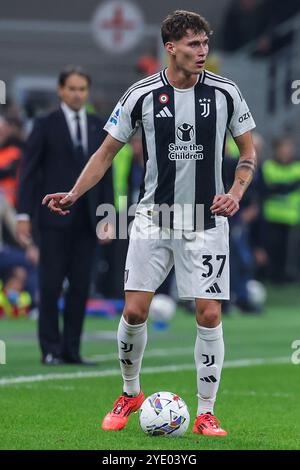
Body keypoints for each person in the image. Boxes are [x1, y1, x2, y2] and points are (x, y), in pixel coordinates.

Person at [42, 11, 256, 435]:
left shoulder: (226, 93)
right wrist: (74, 193)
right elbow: (106, 153)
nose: (203, 52)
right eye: (194, 44)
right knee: (135, 311)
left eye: (205, 43)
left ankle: (206, 412)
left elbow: (248, 150)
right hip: (153, 219)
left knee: (209, 315)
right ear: (171, 47)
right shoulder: (140, 94)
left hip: (206, 221)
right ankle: (129, 391)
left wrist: (235, 193)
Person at [17, 65, 114, 365]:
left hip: (86, 220)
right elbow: (28, 173)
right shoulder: (44, 125)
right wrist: (23, 214)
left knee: (81, 286)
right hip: (53, 219)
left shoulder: (100, 126)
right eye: (71, 88)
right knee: (51, 284)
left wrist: (107, 217)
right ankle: (49, 349)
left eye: (82, 89)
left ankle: (72, 349)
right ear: (61, 90)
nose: (77, 94)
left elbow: (106, 176)